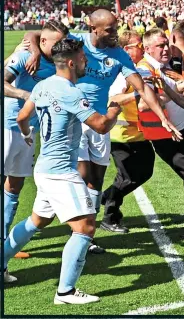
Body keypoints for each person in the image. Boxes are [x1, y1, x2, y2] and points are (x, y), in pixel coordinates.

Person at [24, 9, 182, 254]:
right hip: (76, 121)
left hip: (99, 123)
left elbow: (143, 88)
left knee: (96, 181)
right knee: (81, 176)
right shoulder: (76, 41)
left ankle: (89, 233)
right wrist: (35, 51)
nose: (114, 34)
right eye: (109, 30)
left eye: (116, 28)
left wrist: (163, 118)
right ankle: (81, 232)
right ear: (93, 28)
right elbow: (36, 33)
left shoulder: (119, 54)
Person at [4, 38, 121, 305]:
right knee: (86, 226)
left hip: (45, 168)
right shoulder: (70, 92)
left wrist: (27, 136)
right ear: (71, 62)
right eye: (82, 58)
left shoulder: (43, 85)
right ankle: (65, 292)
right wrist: (114, 108)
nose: (86, 62)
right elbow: (101, 126)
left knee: (37, 221)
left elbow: (22, 117)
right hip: (60, 171)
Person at [136, 28, 184, 240]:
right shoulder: (144, 70)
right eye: (160, 45)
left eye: (166, 44)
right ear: (148, 48)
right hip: (169, 136)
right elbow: (143, 104)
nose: (165, 49)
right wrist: (174, 92)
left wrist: (178, 85)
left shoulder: (162, 67)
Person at [3, 21, 68, 259]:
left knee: (15, 185)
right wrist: (27, 95)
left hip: (30, 132)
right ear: (43, 41)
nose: (61, 46)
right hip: (8, 126)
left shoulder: (58, 63)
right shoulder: (23, 57)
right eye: (57, 43)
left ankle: (4, 241)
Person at [99, 31, 154, 234]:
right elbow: (114, 99)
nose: (141, 47)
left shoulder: (136, 69)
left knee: (145, 171)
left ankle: (106, 196)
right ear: (126, 49)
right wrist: (137, 93)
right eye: (137, 44)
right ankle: (110, 216)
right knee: (127, 176)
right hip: (120, 135)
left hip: (137, 134)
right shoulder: (122, 73)